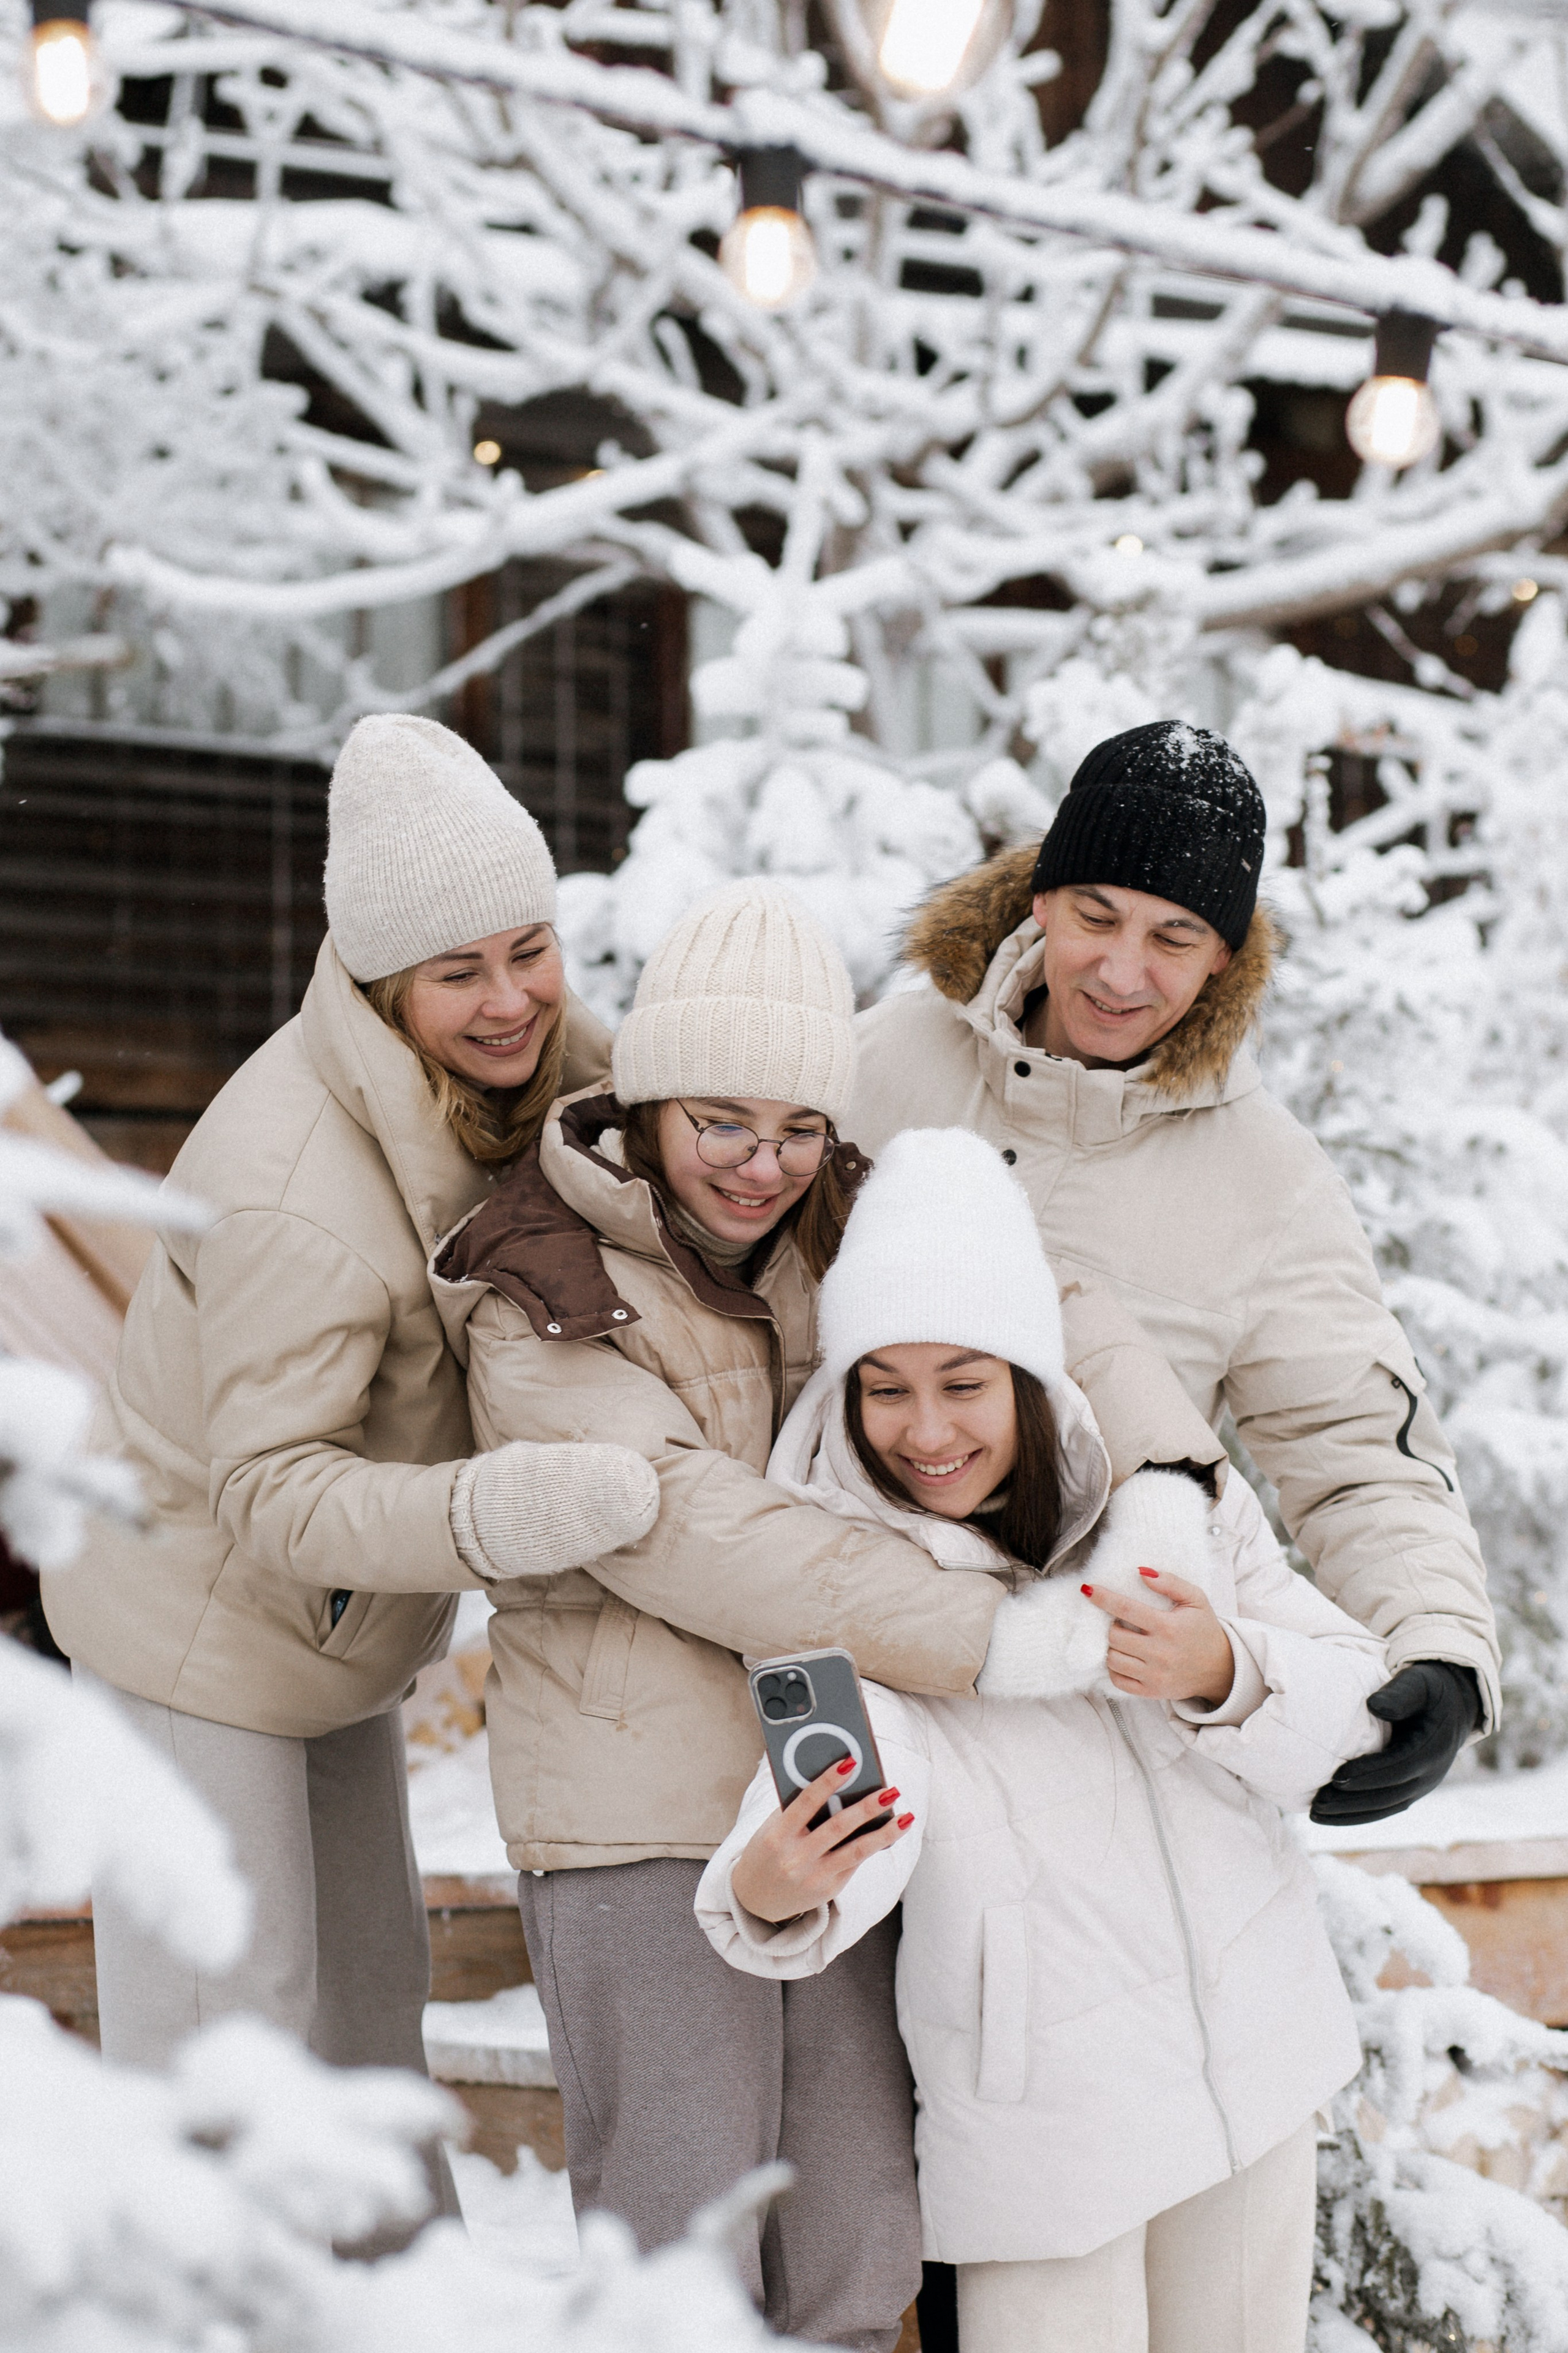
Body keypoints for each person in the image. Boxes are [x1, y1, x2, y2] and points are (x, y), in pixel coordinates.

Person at [430, 877, 1155, 2346]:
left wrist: (1170, 1479)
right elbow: (690, 1530)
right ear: (644, 1100)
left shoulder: (848, 1217)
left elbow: (1043, 1316)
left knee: (853, 2235)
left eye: (798, 1128)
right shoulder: (532, 1282)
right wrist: (984, 1637)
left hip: (833, 1787)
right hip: (639, 1818)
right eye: (721, 1124)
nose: (763, 1166)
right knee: (682, 2252)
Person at [46, 716, 659, 2149]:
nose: (512, 1000)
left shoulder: (547, 1069)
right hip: (198, 1621)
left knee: (369, 2020)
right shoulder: (291, 1187)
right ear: (383, 983)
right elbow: (269, 1490)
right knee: (231, 2043)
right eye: (461, 974)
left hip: (338, 1623)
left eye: (529, 947)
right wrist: (489, 1511)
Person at [698, 1128, 1390, 2353]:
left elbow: (1348, 1707)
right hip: (1044, 2134)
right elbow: (844, 1788)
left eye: (963, 1382)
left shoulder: (1174, 1520)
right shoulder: (855, 1586)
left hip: (1256, 2073)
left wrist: (1225, 1672)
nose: (923, 1429)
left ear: (1025, 1374)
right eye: (884, 1384)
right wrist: (765, 1886)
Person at [850, 719, 1498, 1827]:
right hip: (837, 1681)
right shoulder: (872, 1064)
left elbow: (1356, 1451)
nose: (1120, 969)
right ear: (1040, 899)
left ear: (1225, 958)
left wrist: (1440, 1647)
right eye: (1095, 914)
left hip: (1067, 1734)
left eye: (1175, 935)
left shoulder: (1267, 1181)